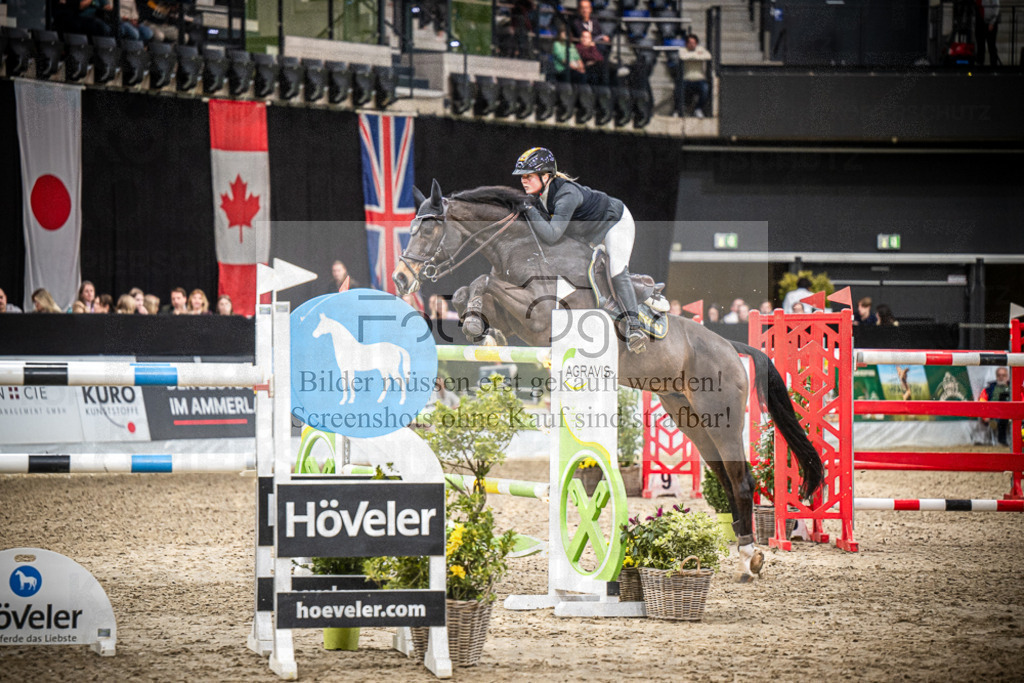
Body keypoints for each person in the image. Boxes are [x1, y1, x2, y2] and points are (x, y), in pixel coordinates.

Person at [513, 147, 646, 353]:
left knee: (617, 270)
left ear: (545, 176)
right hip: (586, 233)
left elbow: (552, 235)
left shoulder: (566, 194)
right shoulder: (540, 197)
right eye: (522, 176)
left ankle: (634, 326)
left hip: (614, 223)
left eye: (528, 176)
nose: (523, 181)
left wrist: (529, 210)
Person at [674, 34, 711, 118]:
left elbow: (708, 56)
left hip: (699, 79)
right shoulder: (683, 50)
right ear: (686, 44)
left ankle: (698, 109)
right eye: (690, 43)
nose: (692, 45)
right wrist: (697, 56)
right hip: (686, 79)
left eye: (694, 43)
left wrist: (691, 56)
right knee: (678, 89)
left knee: (706, 89)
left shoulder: (701, 49)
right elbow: (682, 57)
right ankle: (677, 110)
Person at [980, 367, 1012, 446]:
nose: (1001, 377)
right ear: (996, 376)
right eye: (999, 375)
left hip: (1011, 413)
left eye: (1003, 375)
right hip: (994, 414)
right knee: (1002, 418)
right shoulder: (988, 389)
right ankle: (1002, 441)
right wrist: (985, 416)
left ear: (1007, 376)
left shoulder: (1013, 388)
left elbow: (1021, 400)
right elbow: (982, 404)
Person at [976, 0, 1000, 66]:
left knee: (991, 46)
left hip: (990, 24)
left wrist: (992, 22)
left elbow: (996, 9)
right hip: (980, 23)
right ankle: (980, 63)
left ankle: (993, 65)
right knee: (980, 45)